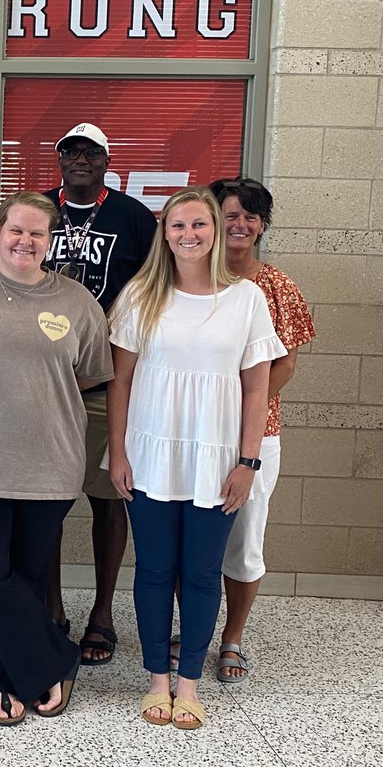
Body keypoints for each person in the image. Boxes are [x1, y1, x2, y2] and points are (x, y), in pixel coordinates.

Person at [0, 191, 113, 726]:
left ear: (49, 240)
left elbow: (87, 374)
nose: (25, 241)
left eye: (37, 233)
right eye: (16, 231)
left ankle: (4, 677)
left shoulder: (79, 303)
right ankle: (57, 656)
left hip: (49, 464)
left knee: (28, 576)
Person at [106, 187, 285, 730]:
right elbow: (121, 383)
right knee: (156, 570)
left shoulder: (247, 299)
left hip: (216, 458)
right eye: (178, 226)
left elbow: (258, 391)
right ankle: (157, 680)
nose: (189, 235)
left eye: (198, 225)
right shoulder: (140, 295)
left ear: (215, 230)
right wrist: (117, 453)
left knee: (203, 573)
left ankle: (189, 686)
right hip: (150, 453)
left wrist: (247, 463)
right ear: (165, 233)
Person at [42, 122, 156, 666]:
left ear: (107, 161)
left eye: (91, 152)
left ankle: (103, 613)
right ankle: (52, 608)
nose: (80, 159)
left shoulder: (132, 218)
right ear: (60, 161)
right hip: (44, 381)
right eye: (71, 151)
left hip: (106, 384)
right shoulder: (41, 210)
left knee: (109, 498)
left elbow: (155, 290)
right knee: (47, 500)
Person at [210, 177, 314, 683]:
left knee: (245, 540)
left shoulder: (276, 287)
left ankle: (232, 636)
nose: (240, 225)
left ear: (263, 227)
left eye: (251, 217)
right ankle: (198, 626)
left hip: (256, 436)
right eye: (231, 214)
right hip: (196, 433)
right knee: (195, 539)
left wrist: (239, 413)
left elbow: (285, 368)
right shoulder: (186, 279)